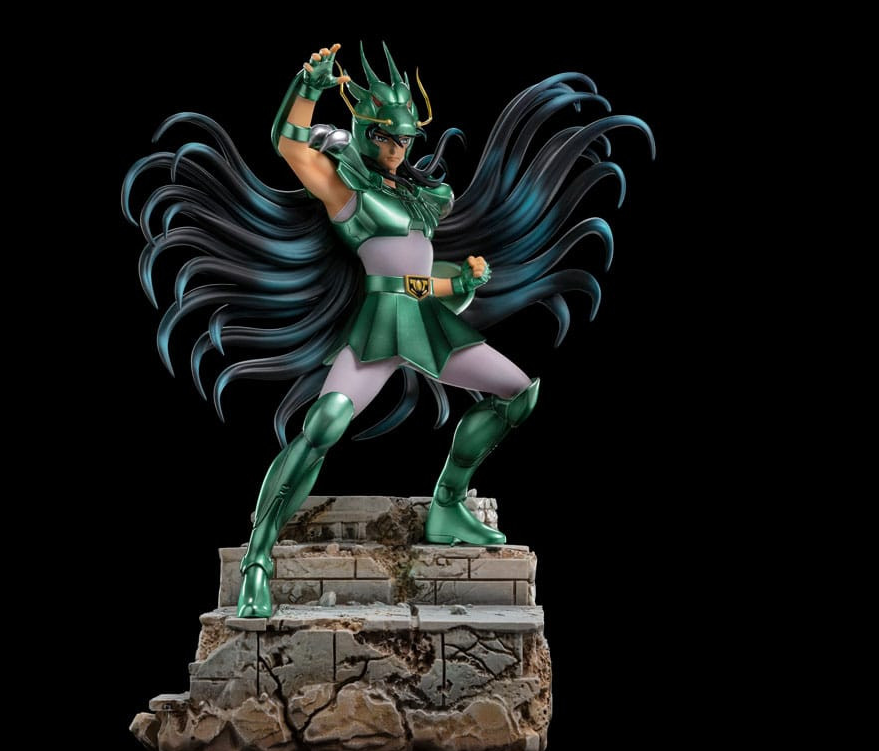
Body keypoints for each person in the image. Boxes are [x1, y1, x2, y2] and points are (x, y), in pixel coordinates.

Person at [122, 42, 654, 618]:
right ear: (365, 131)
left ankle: (447, 504)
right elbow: (290, 144)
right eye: (387, 137)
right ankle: (258, 559)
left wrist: (460, 283)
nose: (399, 149)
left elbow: (414, 281)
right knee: (323, 425)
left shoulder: (422, 196)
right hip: (378, 326)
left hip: (423, 320)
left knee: (519, 395)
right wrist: (307, 86)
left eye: (406, 139)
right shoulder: (348, 189)